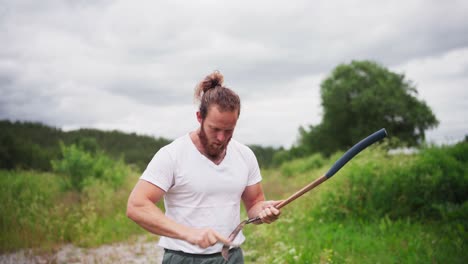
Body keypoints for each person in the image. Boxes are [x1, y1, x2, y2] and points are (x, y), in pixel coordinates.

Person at [126, 71, 281, 264]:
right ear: (200, 117)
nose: (221, 138)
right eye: (215, 129)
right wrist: (188, 234)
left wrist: (263, 213)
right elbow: (136, 206)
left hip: (231, 257)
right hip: (183, 258)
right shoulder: (172, 155)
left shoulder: (245, 155)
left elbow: (255, 204)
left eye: (229, 130)